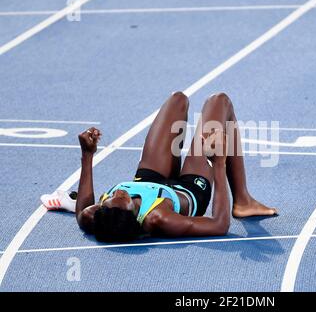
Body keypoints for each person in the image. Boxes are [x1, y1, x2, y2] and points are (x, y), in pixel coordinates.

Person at [76, 92, 277, 242]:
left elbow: (81, 212)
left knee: (177, 100)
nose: (118, 192)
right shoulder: (159, 218)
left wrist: (87, 155)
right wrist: (218, 165)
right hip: (189, 189)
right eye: (123, 198)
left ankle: (242, 199)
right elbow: (219, 225)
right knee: (219, 102)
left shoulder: (100, 215)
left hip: (149, 179)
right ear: (134, 215)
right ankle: (243, 201)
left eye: (112, 197)